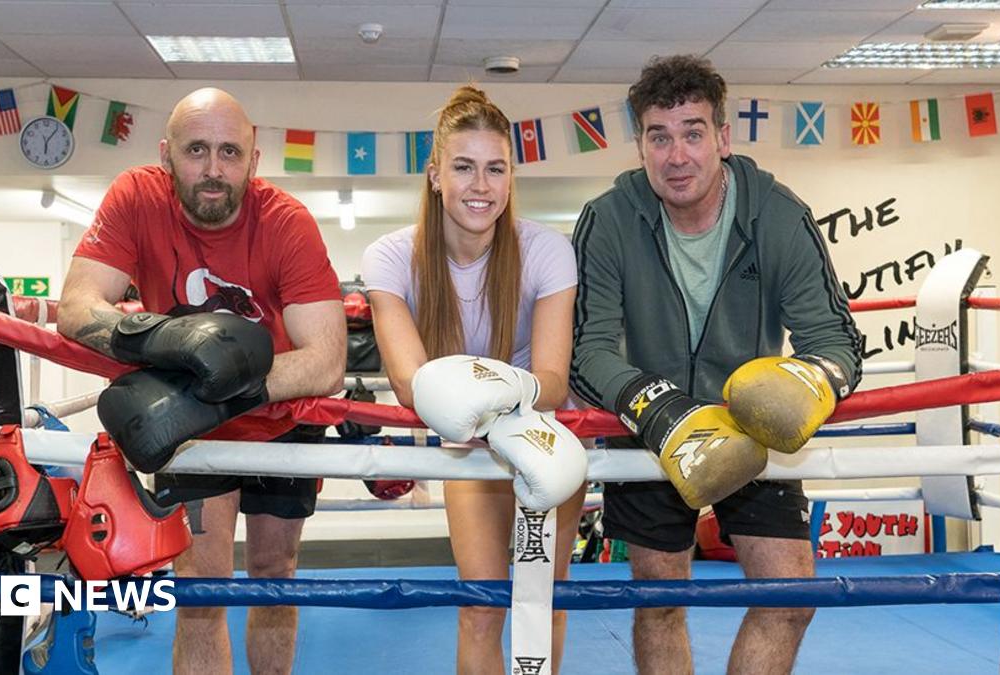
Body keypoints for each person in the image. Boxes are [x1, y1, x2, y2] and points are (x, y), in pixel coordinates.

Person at [569, 55, 862, 674]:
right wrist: (658, 405)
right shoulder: (610, 219)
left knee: (789, 598)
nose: (677, 156)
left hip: (751, 427)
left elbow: (835, 339)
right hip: (651, 430)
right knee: (659, 602)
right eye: (660, 136)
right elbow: (586, 348)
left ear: (723, 138)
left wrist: (803, 381)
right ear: (640, 144)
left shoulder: (777, 216)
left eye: (693, 133)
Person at [57, 87, 346, 675]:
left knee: (274, 578)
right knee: (199, 590)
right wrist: (164, 341)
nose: (214, 170)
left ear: (254, 160)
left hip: (279, 418)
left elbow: (327, 359)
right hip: (189, 419)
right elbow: (77, 307)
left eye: (230, 153)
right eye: (196, 151)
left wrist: (224, 387)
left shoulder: (287, 222)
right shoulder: (136, 198)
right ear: (166, 156)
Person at [362, 85, 585, 674]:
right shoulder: (391, 258)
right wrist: (495, 401)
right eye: (463, 167)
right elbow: (411, 385)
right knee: (481, 607)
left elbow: (555, 378)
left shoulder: (546, 251)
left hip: (542, 432)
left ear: (511, 178)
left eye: (495, 169)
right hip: (469, 441)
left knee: (542, 603)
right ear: (435, 175)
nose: (480, 186)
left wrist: (500, 396)